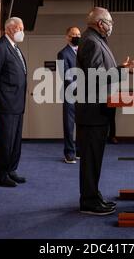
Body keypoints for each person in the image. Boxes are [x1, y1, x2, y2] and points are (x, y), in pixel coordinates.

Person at [76, 7, 134, 215]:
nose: (111, 25)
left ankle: (93, 195)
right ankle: (89, 202)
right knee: (91, 161)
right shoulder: (91, 41)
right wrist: (122, 70)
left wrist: (121, 67)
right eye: (110, 21)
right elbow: (95, 76)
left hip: (99, 111)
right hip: (92, 112)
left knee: (95, 159)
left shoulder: (96, 40)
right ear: (101, 23)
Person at [0, 17, 27, 187]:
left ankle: (11, 170)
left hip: (17, 102)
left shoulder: (15, 47)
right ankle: (2, 175)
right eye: (20, 28)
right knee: (5, 141)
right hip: (5, 103)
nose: (22, 32)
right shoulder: (0, 46)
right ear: (10, 29)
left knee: (15, 140)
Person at [57, 26, 81, 164]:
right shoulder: (62, 54)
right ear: (67, 37)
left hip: (84, 94)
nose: (76, 36)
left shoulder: (83, 52)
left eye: (78, 34)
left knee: (81, 124)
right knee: (69, 125)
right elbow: (65, 75)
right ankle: (69, 153)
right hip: (70, 93)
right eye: (73, 34)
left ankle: (78, 151)